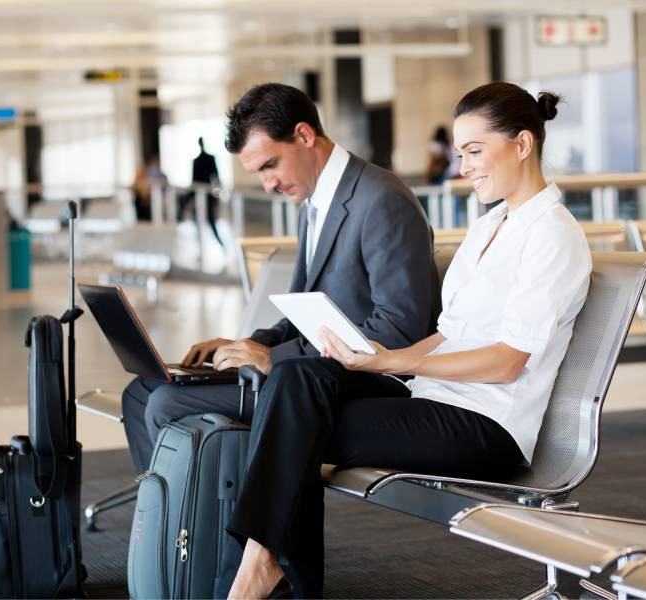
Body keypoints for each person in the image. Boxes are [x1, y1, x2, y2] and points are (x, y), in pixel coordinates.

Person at [222, 81, 593, 599]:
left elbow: (508, 361)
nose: (463, 168)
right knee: (295, 378)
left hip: (487, 425)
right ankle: (266, 568)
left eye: (475, 151)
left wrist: (387, 362)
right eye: (461, 153)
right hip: (434, 401)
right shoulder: (489, 227)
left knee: (294, 424)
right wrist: (375, 358)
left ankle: (259, 573)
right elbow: (448, 334)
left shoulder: (552, 235)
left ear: (523, 144)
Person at [121, 82, 440, 593]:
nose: (267, 184)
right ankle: (171, 541)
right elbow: (299, 314)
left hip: (362, 382)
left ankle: (209, 559)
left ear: (304, 134)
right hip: (308, 370)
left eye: (270, 165)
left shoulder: (381, 201)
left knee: (165, 404)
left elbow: (399, 332)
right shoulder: (316, 204)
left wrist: (277, 357)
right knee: (142, 393)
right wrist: (244, 345)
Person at [179, 137, 224, 245]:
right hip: (202, 194)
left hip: (206, 194)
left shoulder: (204, 159)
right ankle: (204, 246)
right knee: (202, 221)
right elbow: (213, 178)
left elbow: (214, 177)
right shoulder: (200, 160)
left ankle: (220, 245)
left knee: (209, 220)